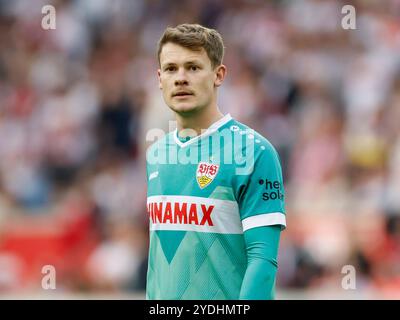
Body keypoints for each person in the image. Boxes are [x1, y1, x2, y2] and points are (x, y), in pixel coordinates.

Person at [146, 23, 286, 300]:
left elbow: (263, 261)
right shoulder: (157, 153)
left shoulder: (254, 152)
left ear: (218, 74)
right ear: (159, 78)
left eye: (193, 67)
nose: (181, 78)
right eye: (171, 69)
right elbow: (158, 264)